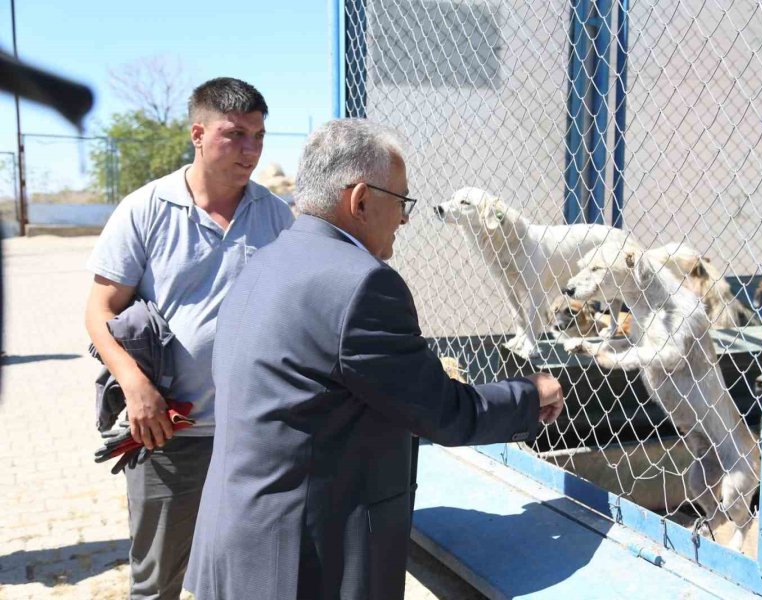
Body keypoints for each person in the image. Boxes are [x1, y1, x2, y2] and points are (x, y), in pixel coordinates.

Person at [184, 118, 565, 600]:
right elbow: (443, 412)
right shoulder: (363, 284)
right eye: (402, 202)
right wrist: (530, 396)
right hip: (305, 564)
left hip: (239, 539)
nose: (405, 219)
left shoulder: (266, 260)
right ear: (360, 199)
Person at [84, 77, 295, 599]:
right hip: (169, 433)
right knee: (159, 582)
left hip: (253, 436)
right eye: (236, 135)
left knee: (246, 577)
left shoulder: (276, 217)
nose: (250, 150)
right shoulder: (147, 209)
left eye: (259, 136)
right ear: (197, 134)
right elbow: (98, 310)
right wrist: (133, 383)